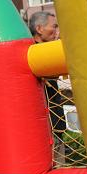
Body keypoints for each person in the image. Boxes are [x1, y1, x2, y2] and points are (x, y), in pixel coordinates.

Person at [29, 11, 66, 163]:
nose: (57, 31)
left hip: (55, 124)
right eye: (54, 27)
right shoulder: (32, 51)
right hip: (43, 128)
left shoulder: (46, 50)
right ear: (39, 29)